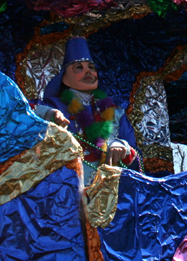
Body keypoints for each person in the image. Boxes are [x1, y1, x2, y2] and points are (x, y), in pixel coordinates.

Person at [38, 37, 138, 178]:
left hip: (108, 190)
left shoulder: (116, 113)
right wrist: (48, 113)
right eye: (79, 67)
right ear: (64, 78)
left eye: (91, 68)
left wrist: (122, 146)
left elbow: (138, 157)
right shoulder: (53, 105)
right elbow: (23, 112)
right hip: (65, 188)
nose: (88, 72)